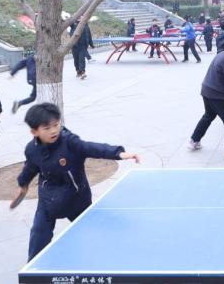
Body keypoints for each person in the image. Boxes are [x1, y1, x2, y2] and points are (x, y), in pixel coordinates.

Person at [13, 102, 139, 260]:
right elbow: (30, 167)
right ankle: (32, 270)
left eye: (56, 125)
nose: (53, 130)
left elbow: (91, 148)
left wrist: (118, 153)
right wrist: (22, 184)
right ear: (34, 131)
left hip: (76, 200)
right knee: (38, 235)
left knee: (93, 236)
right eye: (47, 128)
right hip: (48, 201)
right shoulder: (31, 150)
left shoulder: (70, 142)